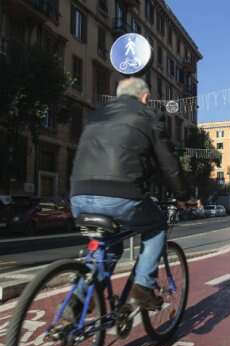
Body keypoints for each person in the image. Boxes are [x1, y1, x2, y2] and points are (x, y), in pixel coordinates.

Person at [69, 77, 190, 316]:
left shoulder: (97, 114)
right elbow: (168, 163)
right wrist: (183, 195)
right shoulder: (149, 115)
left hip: (78, 196)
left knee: (109, 247)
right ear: (145, 97)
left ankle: (78, 299)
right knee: (157, 226)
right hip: (121, 196)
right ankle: (143, 287)